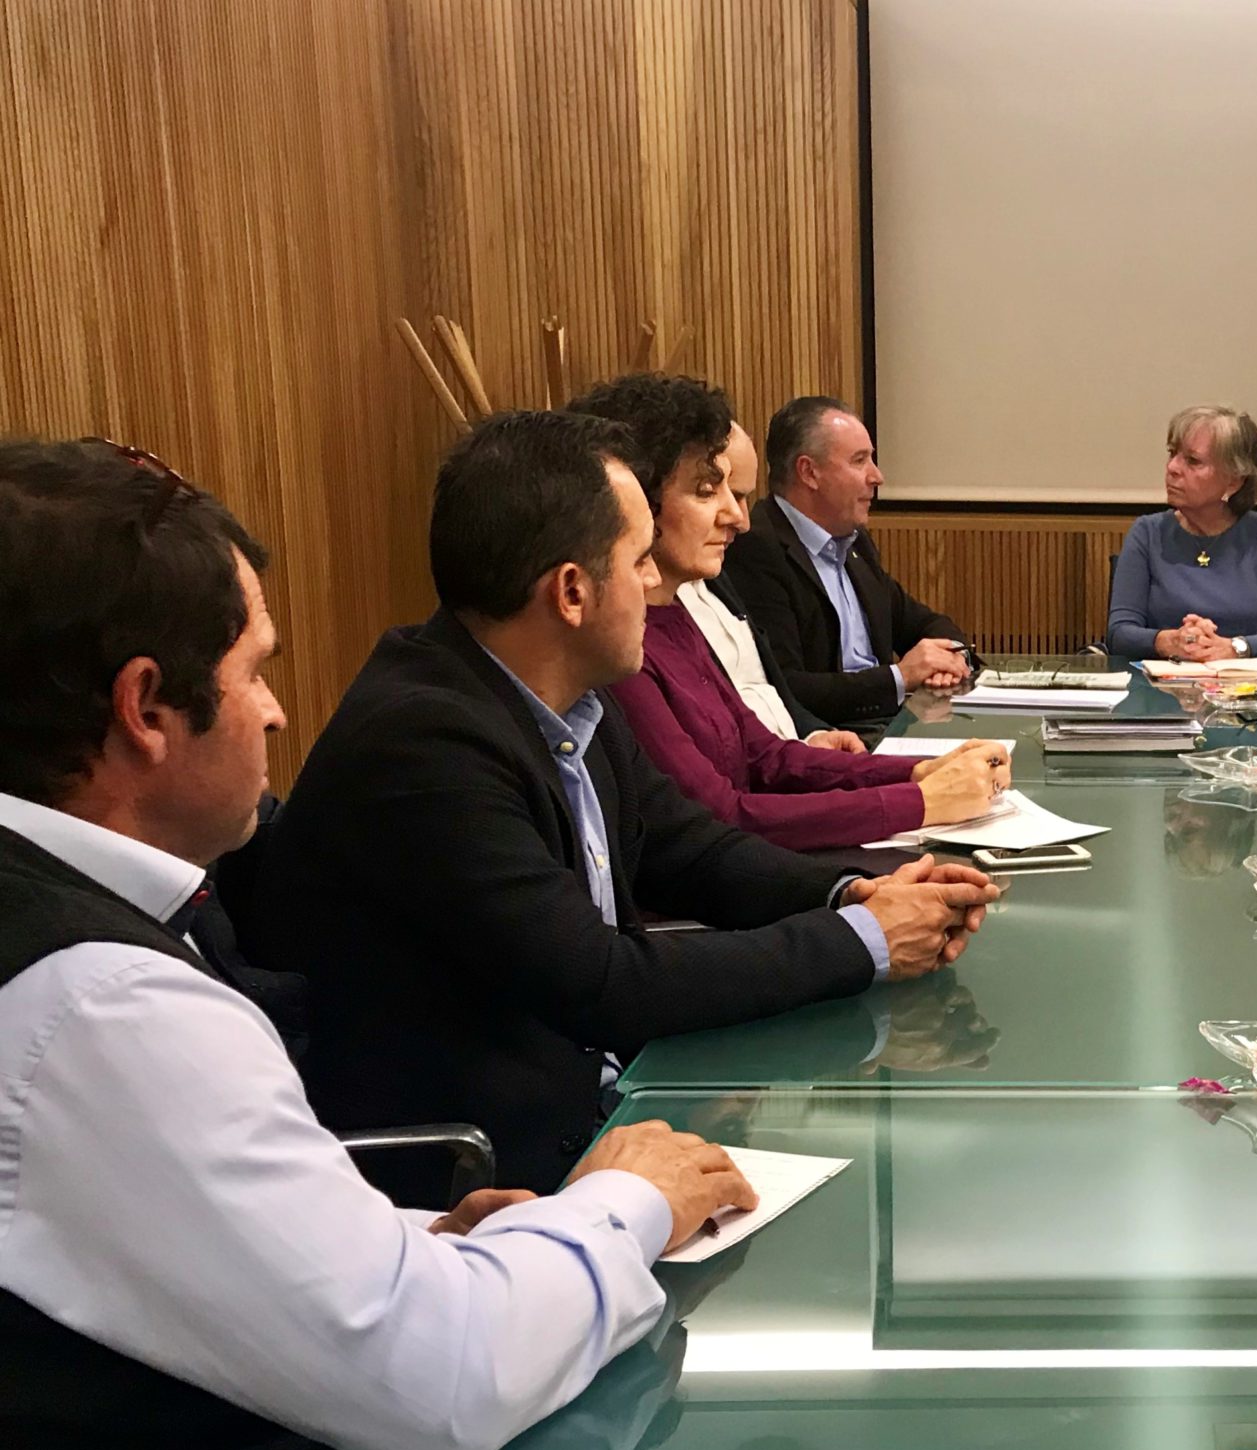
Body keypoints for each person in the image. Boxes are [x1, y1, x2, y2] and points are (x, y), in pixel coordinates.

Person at [0, 436, 766, 1450]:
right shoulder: (99, 1007)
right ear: (146, 709)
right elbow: (441, 1383)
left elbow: (156, 1227)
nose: (276, 711)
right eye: (254, 670)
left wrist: (417, 1241)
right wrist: (625, 1201)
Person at [252, 411, 998, 1196]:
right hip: (489, 1183)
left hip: (604, 1113)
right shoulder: (425, 743)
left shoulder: (568, 693)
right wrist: (862, 940)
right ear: (572, 591)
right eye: (639, 559)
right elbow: (601, 982)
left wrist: (851, 892)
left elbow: (688, 846)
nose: (656, 585)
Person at [569, 374, 1006, 851]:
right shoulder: (619, 643)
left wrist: (921, 771)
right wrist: (921, 801)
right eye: (707, 490)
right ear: (636, 503)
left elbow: (765, 755)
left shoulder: (676, 613)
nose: (739, 518)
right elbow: (721, 817)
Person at [717, 396, 971, 729]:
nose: (877, 476)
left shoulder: (853, 540)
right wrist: (898, 677)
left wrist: (950, 656)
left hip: (889, 724)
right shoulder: (755, 548)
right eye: (859, 461)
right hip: (830, 736)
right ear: (809, 472)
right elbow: (784, 687)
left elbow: (921, 621)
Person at [676, 419, 845, 744]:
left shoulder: (717, 577)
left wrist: (816, 735)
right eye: (709, 492)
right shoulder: (752, 553)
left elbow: (770, 688)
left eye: (741, 497)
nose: (741, 520)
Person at [1108, 404, 1257, 661]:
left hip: (1248, 685)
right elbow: (1119, 633)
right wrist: (1168, 641)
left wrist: (1234, 648)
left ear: (1234, 480)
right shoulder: (1147, 533)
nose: (1172, 467)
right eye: (1172, 453)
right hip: (1165, 682)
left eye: (1192, 461)